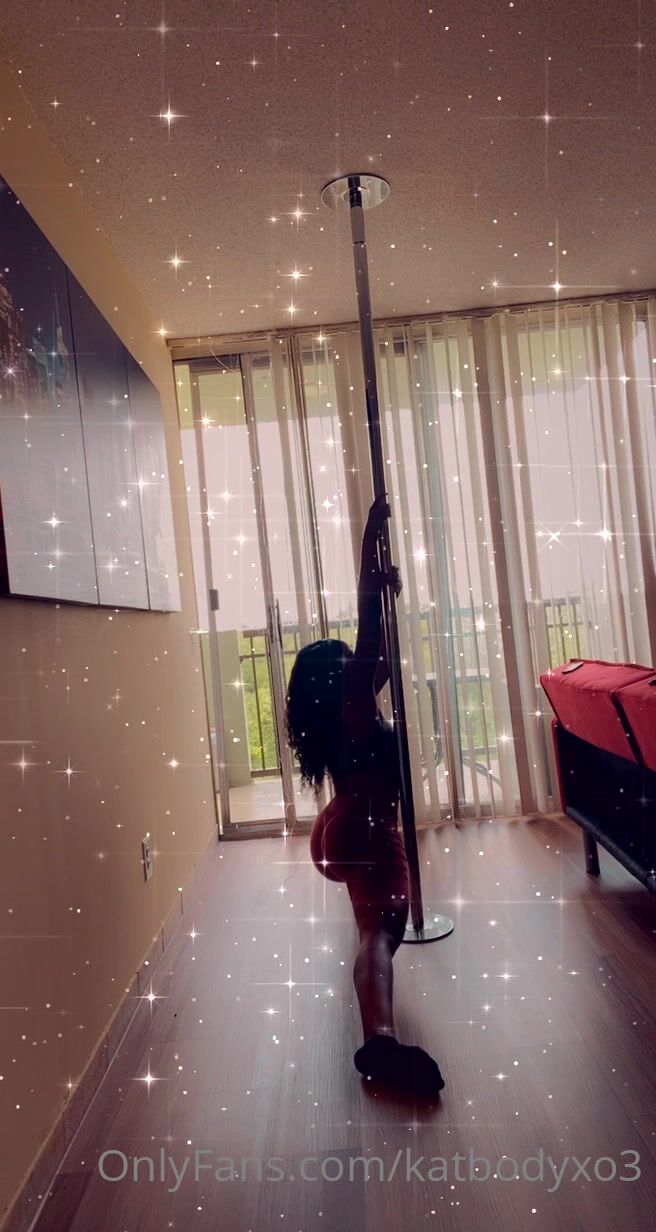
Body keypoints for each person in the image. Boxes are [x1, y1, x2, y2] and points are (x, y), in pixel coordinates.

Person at [285, 495, 444, 1094]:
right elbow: (371, 636)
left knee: (374, 931)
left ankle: (379, 1034)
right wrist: (368, 553)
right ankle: (379, 1038)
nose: (359, 663)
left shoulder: (344, 714)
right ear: (341, 678)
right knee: (382, 933)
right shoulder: (354, 708)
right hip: (364, 832)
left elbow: (382, 656)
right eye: (349, 662)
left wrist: (386, 591)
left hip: (346, 829)